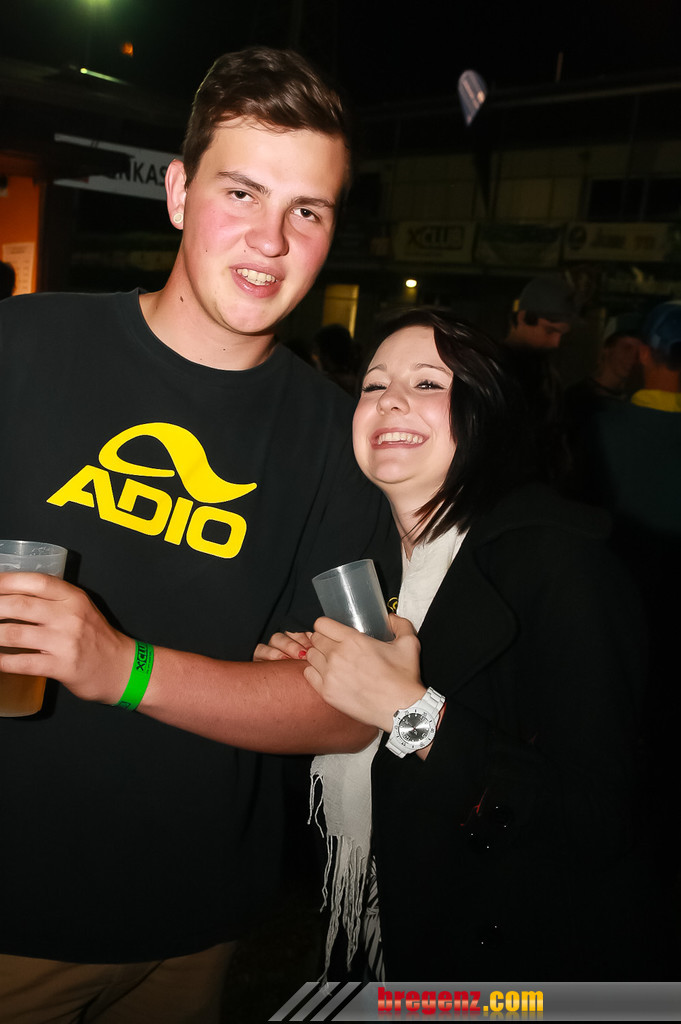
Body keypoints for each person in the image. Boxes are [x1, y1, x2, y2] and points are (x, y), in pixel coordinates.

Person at [0, 47, 394, 1022]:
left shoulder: (336, 439)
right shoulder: (23, 345)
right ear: (179, 193)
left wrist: (121, 666)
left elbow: (354, 708)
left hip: (193, 925)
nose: (271, 240)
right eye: (242, 192)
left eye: (308, 211)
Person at [262, 308, 661, 980]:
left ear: (489, 416)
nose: (389, 399)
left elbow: (597, 821)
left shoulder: (563, 564)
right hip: (366, 927)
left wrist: (408, 712)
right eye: (372, 384)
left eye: (427, 383)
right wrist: (309, 679)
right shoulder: (365, 563)